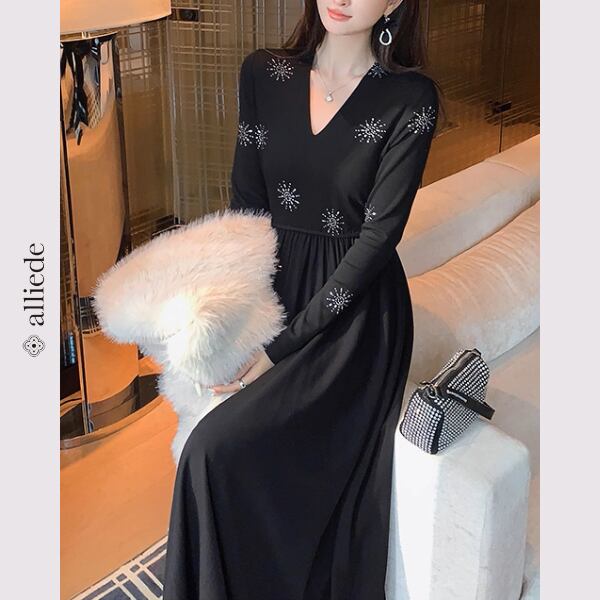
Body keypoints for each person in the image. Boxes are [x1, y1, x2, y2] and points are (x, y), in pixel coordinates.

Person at [162, 0, 442, 598]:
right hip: (274, 291)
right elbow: (246, 207)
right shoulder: (264, 73)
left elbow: (376, 241)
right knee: (214, 451)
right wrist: (236, 313)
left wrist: (278, 350)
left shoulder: (410, 98)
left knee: (213, 450)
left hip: (353, 317)